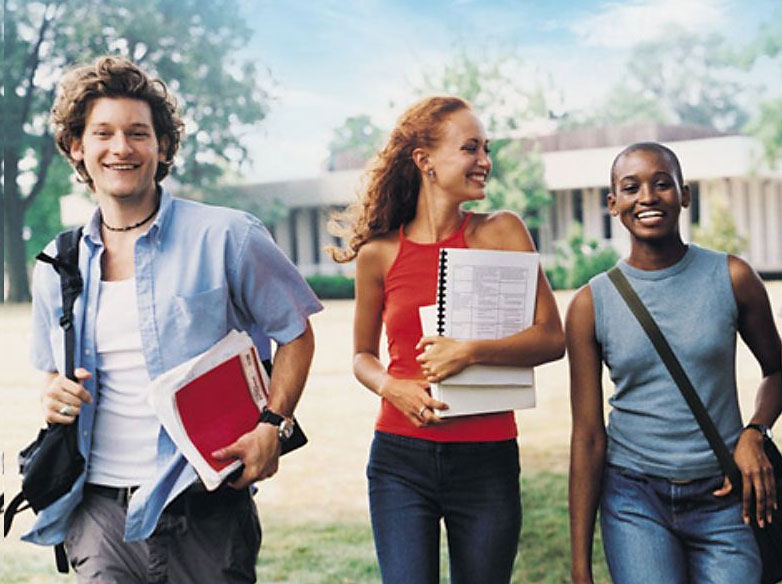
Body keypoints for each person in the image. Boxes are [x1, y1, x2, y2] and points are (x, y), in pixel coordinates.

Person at [26, 55, 322, 583]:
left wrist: (272, 427)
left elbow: (296, 334)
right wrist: (52, 392)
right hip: (97, 511)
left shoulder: (230, 236)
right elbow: (51, 373)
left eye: (138, 133)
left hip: (203, 505)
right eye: (103, 133)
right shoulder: (56, 262)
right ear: (77, 146)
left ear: (162, 146)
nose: (121, 147)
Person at [329, 96, 565, 583]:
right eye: (471, 148)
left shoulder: (502, 232)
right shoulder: (379, 254)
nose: (485, 161)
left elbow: (551, 337)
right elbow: (361, 356)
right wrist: (391, 386)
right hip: (399, 459)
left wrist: (470, 351)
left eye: (486, 148)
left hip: (487, 459)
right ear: (425, 161)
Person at [566, 142, 782, 584]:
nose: (647, 197)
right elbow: (588, 436)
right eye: (631, 188)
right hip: (634, 498)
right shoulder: (591, 303)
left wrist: (755, 432)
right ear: (613, 204)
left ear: (684, 196)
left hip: (725, 495)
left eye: (662, 184)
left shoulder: (733, 277)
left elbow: (777, 370)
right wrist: (580, 564)